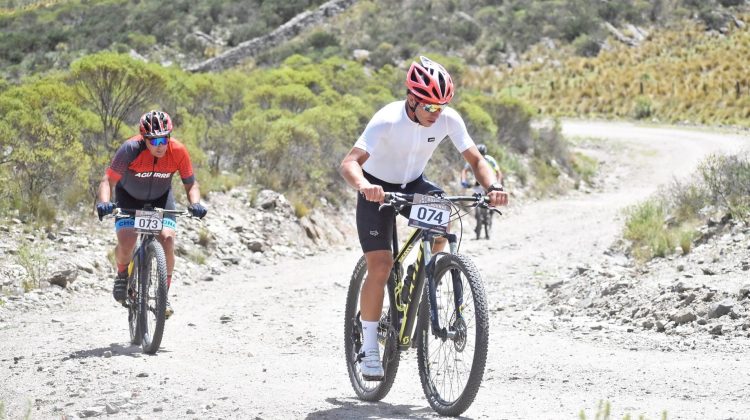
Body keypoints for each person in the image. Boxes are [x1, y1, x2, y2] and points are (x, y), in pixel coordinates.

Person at [338, 56, 508, 380]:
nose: (436, 114)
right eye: (429, 107)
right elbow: (349, 163)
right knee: (381, 266)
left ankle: (430, 272)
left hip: (413, 184)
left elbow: (476, 159)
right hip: (377, 189)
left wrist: (494, 186)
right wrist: (364, 185)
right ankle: (369, 346)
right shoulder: (386, 119)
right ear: (412, 99)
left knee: (444, 218)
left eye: (441, 107)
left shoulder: (447, 119)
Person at [95, 110, 207, 318]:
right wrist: (104, 202)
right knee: (128, 241)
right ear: (144, 139)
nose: (160, 146)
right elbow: (108, 181)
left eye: (164, 139)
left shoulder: (178, 151)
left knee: (167, 241)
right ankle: (122, 274)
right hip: (129, 198)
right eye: (154, 141)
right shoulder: (130, 149)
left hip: (160, 199)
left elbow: (190, 183)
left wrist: (196, 203)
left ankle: (163, 296)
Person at [461, 143, 503, 239]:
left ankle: (491, 213)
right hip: (477, 183)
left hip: (489, 183)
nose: (481, 156)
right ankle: (478, 217)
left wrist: (498, 183)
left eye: (483, 154)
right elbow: (464, 171)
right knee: (476, 201)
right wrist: (463, 181)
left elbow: (498, 173)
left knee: (491, 198)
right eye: (480, 154)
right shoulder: (473, 158)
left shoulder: (490, 159)